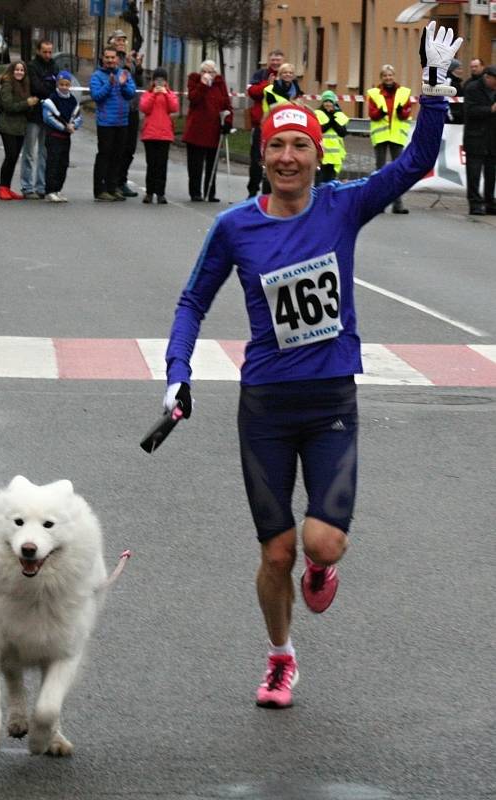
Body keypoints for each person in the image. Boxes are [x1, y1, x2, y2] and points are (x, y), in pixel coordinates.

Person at [161, 22, 461, 709]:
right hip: (264, 405)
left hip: (328, 403)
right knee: (275, 554)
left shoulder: (341, 206)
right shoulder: (235, 226)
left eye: (299, 144)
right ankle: (279, 656)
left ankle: (322, 569)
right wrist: (177, 370)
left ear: (313, 155)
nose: (289, 156)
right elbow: (191, 302)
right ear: (261, 155)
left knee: (320, 545)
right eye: (277, 145)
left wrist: (436, 91)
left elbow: (412, 163)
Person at [89, 47, 136, 202]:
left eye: (112, 57)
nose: (110, 60)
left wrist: (122, 85)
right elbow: (96, 96)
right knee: (104, 155)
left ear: (117, 59)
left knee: (118, 156)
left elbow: (131, 93)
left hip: (122, 121)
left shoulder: (124, 74)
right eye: (107, 57)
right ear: (103, 58)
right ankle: (100, 189)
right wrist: (109, 85)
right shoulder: (97, 76)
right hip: (106, 122)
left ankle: (112, 187)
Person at [182, 61, 233, 203]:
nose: (208, 74)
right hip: (197, 129)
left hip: (214, 128)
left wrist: (228, 122)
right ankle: (195, 192)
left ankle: (210, 191)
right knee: (195, 164)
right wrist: (203, 85)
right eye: (205, 71)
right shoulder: (195, 81)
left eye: (211, 72)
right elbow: (194, 99)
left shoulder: (220, 84)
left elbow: (227, 104)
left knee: (212, 162)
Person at [367, 64, 412, 214]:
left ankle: (397, 204)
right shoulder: (374, 93)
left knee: (397, 171)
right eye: (385, 75)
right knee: (380, 171)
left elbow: (407, 112)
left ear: (394, 76)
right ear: (381, 78)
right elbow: (372, 113)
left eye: (390, 75)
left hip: (397, 136)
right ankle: (378, 203)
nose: (388, 78)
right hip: (381, 135)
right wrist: (379, 113)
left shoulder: (404, 92)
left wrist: (401, 112)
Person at [108, 29, 144, 199]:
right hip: (118, 108)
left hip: (132, 108)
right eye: (118, 39)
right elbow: (116, 77)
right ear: (112, 42)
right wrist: (128, 67)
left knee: (129, 147)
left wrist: (139, 68)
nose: (122, 42)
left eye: (124, 39)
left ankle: (122, 180)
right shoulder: (111, 58)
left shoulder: (130, 59)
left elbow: (139, 84)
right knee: (117, 147)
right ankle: (112, 182)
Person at [0, 62, 39, 201]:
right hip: (7, 126)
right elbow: (8, 106)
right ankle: (2, 187)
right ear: (11, 71)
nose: (19, 72)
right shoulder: (7, 84)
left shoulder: (24, 85)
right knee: (10, 156)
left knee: (14, 158)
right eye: (17, 70)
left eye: (22, 70)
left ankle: (7, 187)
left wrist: (31, 105)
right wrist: (27, 103)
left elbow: (25, 107)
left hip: (20, 127)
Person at [20, 40, 57, 199]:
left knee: (45, 152)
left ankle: (41, 186)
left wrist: (49, 87)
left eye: (50, 52)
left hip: (48, 116)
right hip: (33, 115)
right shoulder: (32, 67)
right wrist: (49, 87)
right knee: (29, 152)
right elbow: (36, 87)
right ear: (38, 51)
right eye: (45, 52)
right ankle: (27, 186)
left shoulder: (54, 66)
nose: (48, 55)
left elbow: (58, 86)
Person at [246, 49, 285, 198]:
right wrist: (267, 85)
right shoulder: (260, 75)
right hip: (261, 124)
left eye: (278, 60)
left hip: (280, 125)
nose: (275, 63)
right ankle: (252, 191)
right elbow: (252, 92)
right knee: (256, 158)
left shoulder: (286, 77)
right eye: (273, 60)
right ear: (269, 61)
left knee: (276, 159)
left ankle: (272, 192)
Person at [139, 67, 179, 204]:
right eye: (157, 80)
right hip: (150, 134)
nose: (159, 82)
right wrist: (154, 94)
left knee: (162, 165)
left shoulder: (170, 93)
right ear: (153, 81)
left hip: (164, 134)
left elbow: (174, 107)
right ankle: (149, 192)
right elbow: (144, 108)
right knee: (151, 164)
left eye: (162, 80)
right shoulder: (148, 93)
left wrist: (165, 93)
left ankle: (160, 193)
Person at [42, 71, 82, 203]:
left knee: (63, 164)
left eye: (67, 84)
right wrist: (64, 127)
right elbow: (48, 118)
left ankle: (58, 189)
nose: (64, 87)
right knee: (53, 163)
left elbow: (78, 117)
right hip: (54, 136)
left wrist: (74, 125)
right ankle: (50, 190)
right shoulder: (52, 99)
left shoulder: (72, 100)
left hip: (66, 138)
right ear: (57, 84)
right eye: (61, 84)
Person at [463, 65, 496, 216]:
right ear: (487, 77)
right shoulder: (472, 88)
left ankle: (490, 202)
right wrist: (490, 109)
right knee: (474, 174)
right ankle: (475, 203)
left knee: (491, 173)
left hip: (492, 139)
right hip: (475, 138)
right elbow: (470, 111)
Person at [314, 90, 350, 184]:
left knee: (330, 181)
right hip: (321, 154)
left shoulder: (339, 115)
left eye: (330, 101)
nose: (328, 104)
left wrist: (333, 121)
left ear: (334, 102)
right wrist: (331, 122)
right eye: (326, 101)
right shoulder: (317, 113)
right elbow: (320, 129)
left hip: (334, 155)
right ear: (322, 102)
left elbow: (342, 132)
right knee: (320, 181)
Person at [446, 59, 464, 124]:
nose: (461, 71)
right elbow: (445, 99)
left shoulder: (457, 82)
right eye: (459, 69)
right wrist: (450, 116)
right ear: (452, 69)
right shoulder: (448, 81)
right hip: (451, 117)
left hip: (458, 116)